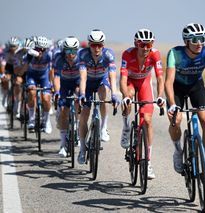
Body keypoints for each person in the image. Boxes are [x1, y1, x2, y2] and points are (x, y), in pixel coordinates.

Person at [165, 23, 205, 184]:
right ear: (186, 41)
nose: (199, 43)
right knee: (176, 120)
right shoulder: (174, 53)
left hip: (196, 87)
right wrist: (172, 104)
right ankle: (178, 151)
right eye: (195, 40)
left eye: (202, 39)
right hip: (177, 88)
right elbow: (168, 82)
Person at [120, 29, 165, 179]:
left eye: (149, 44)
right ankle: (126, 127)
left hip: (145, 83)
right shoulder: (127, 54)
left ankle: (148, 162)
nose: (145, 48)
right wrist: (125, 96)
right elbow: (122, 79)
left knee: (147, 120)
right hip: (130, 83)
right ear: (136, 44)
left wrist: (160, 96)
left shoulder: (155, 54)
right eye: (142, 44)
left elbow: (159, 78)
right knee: (129, 97)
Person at [77, 29, 119, 164]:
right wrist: (82, 94)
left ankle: (103, 128)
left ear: (103, 45)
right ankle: (83, 149)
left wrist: (114, 94)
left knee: (103, 92)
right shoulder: (82, 54)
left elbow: (112, 76)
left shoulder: (108, 54)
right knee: (84, 114)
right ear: (89, 45)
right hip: (88, 84)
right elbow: (83, 78)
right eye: (94, 45)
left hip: (102, 80)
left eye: (99, 45)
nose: (96, 48)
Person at [53, 36, 80, 157]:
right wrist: (57, 92)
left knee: (79, 99)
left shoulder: (81, 58)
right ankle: (63, 145)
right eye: (68, 51)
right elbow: (57, 77)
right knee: (64, 111)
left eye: (73, 51)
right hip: (64, 84)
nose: (71, 54)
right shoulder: (59, 58)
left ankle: (77, 128)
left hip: (77, 82)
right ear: (64, 50)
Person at [22, 36, 53, 134]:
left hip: (44, 77)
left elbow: (52, 71)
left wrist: (51, 84)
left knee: (46, 98)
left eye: (43, 49)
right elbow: (24, 69)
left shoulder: (49, 55)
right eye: (39, 49)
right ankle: (31, 119)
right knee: (31, 92)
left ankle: (46, 120)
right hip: (32, 76)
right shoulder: (29, 55)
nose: (41, 51)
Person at [13, 38, 36, 119]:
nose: (26, 52)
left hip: (33, 73)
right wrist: (24, 67)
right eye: (24, 50)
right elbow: (17, 71)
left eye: (28, 50)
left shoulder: (35, 54)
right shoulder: (17, 54)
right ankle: (18, 104)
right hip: (21, 72)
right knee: (18, 82)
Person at [1, 36, 20, 108]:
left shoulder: (20, 52)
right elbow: (3, 64)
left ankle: (17, 100)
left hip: (17, 67)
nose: (12, 48)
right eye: (11, 46)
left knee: (17, 82)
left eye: (14, 46)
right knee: (6, 79)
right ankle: (5, 96)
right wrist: (3, 74)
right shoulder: (6, 52)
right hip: (9, 67)